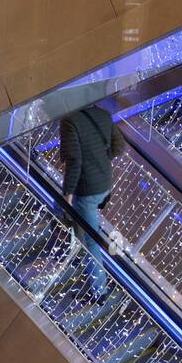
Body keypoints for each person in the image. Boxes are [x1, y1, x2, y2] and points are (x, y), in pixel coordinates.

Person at [59, 105, 125, 299]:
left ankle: (99, 291)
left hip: (87, 189)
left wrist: (67, 195)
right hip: (105, 184)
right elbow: (119, 147)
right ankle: (74, 255)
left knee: (91, 241)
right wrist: (101, 161)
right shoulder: (103, 114)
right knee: (84, 227)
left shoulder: (69, 120)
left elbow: (74, 161)